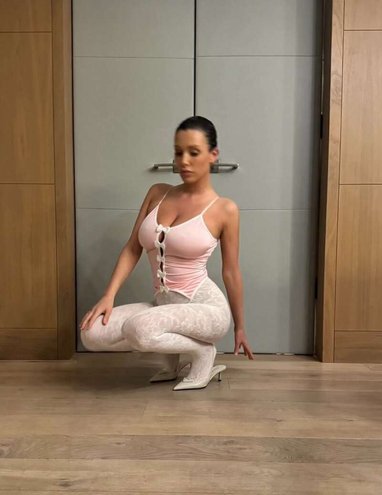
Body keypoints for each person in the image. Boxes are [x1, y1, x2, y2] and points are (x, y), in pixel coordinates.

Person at [80, 116, 254, 391]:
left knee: (139, 329)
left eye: (194, 152)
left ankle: (202, 352)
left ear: (213, 155)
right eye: (178, 152)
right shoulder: (157, 193)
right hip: (163, 305)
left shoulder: (225, 209)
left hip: (206, 309)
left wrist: (240, 326)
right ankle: (175, 356)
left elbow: (231, 271)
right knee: (92, 333)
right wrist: (108, 295)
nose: (184, 161)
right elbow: (133, 247)